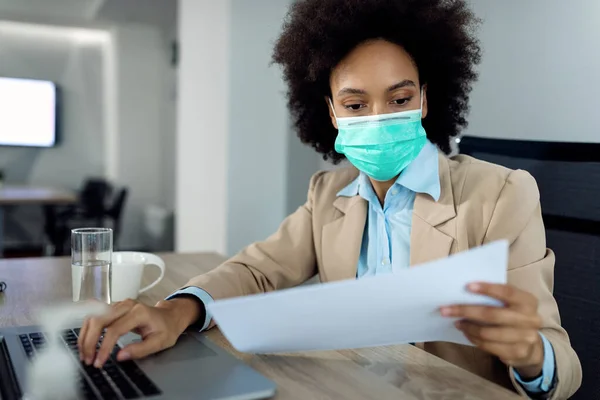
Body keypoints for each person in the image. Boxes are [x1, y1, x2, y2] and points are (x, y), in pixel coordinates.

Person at [78, 0, 582, 398]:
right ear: (332, 113)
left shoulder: (501, 194)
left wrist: (531, 355)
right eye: (356, 104)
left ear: (425, 99)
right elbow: (257, 270)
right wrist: (176, 310)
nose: (379, 116)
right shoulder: (329, 195)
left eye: (400, 99)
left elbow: (563, 361)